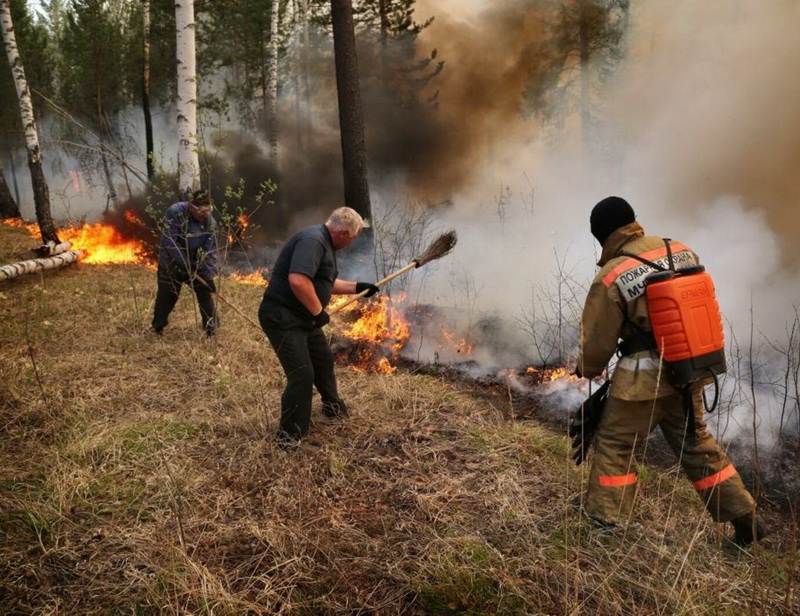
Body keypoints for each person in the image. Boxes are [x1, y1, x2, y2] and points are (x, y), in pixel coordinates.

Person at [575, 196, 767, 545]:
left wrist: (587, 368)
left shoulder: (612, 274)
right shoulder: (680, 250)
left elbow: (598, 343)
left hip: (641, 383)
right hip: (688, 369)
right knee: (697, 446)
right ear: (632, 221)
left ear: (602, 235)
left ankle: (605, 525)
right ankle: (745, 517)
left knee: (616, 446)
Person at [258, 206, 380, 450]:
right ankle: (289, 438)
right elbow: (298, 280)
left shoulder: (323, 242)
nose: (352, 242)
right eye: (354, 237)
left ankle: (332, 407)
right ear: (344, 233)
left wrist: (358, 287)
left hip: (303, 318)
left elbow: (325, 281)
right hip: (283, 318)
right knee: (302, 376)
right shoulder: (313, 241)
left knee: (323, 360)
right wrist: (318, 311)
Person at [152, 190, 218, 337]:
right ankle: (158, 327)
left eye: (209, 210)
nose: (206, 214)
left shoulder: (210, 223)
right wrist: (184, 264)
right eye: (203, 211)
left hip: (194, 262)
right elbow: (170, 241)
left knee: (204, 293)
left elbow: (210, 250)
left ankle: (211, 330)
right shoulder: (175, 212)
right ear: (191, 207)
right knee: (168, 296)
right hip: (171, 262)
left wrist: (208, 275)